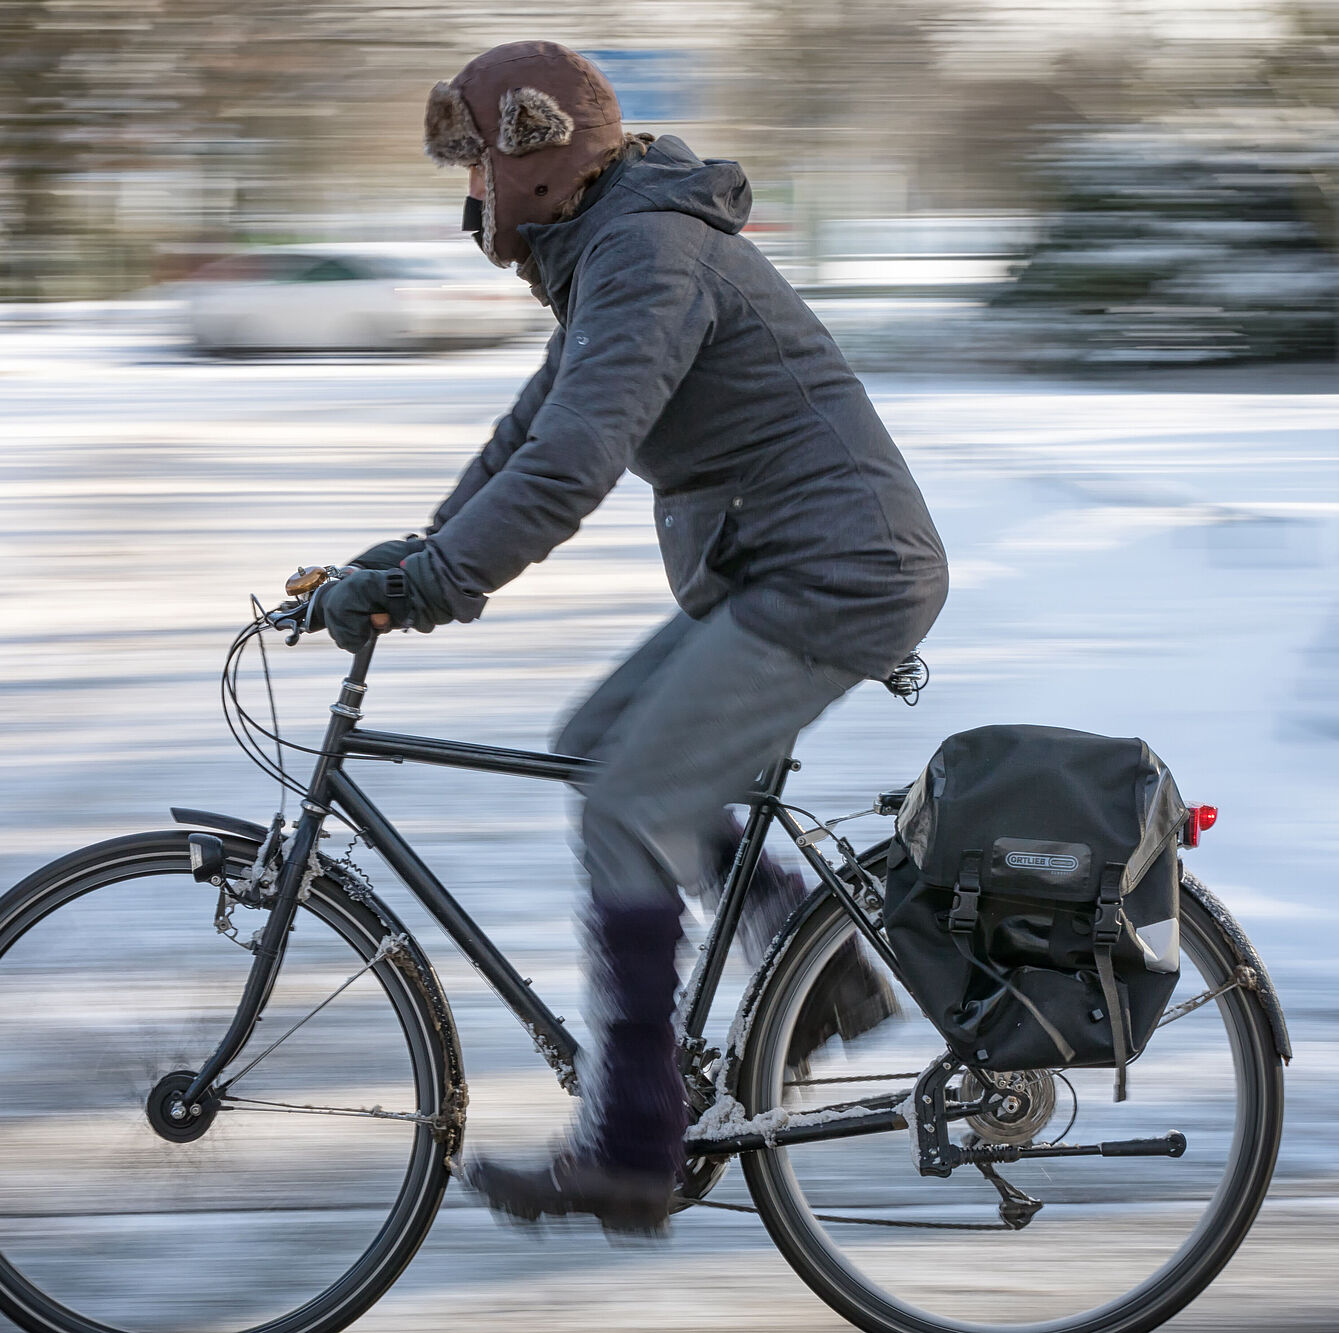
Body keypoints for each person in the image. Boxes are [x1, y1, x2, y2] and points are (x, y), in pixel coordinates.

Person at [313, 40, 947, 1234]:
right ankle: (819, 972)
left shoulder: (648, 254)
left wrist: (439, 583)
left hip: (835, 572)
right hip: (783, 565)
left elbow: (573, 462)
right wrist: (406, 557)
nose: (470, 202)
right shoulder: (617, 250)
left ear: (538, 161)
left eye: (476, 169)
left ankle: (632, 1140)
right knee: (602, 743)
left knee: (626, 800)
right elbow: (527, 434)